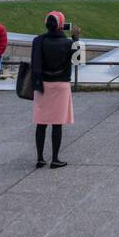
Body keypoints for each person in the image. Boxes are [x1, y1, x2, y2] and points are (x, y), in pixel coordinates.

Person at [31, 11, 76, 167]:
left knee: (41, 122)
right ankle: (55, 158)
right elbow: (78, 61)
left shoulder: (38, 41)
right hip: (61, 85)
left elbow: (35, 63)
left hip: (42, 85)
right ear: (61, 25)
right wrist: (76, 39)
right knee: (57, 123)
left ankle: (40, 158)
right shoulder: (68, 43)